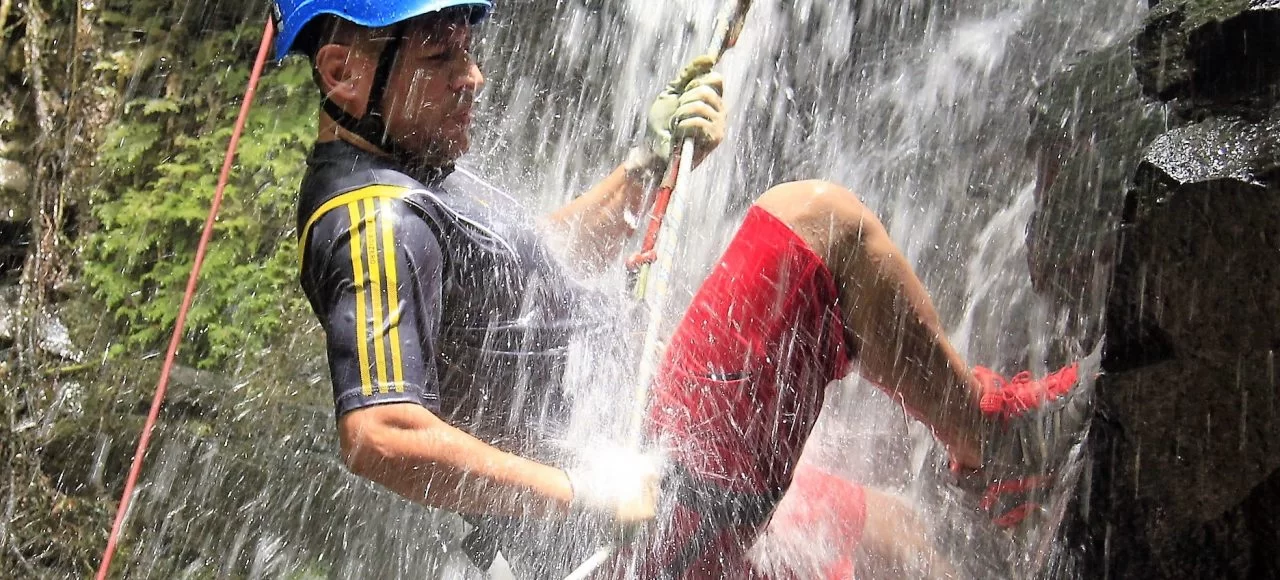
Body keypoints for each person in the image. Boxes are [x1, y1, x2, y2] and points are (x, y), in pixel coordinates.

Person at [276, 0, 1093, 577]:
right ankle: (987, 434)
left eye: (467, 50)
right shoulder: (374, 224)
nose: (475, 78)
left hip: (650, 467)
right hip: (634, 519)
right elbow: (381, 433)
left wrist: (643, 167)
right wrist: (582, 493)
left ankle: (996, 472)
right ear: (346, 74)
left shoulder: (411, 164)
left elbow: (528, 271)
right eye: (440, 58)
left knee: (892, 531)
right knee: (821, 222)